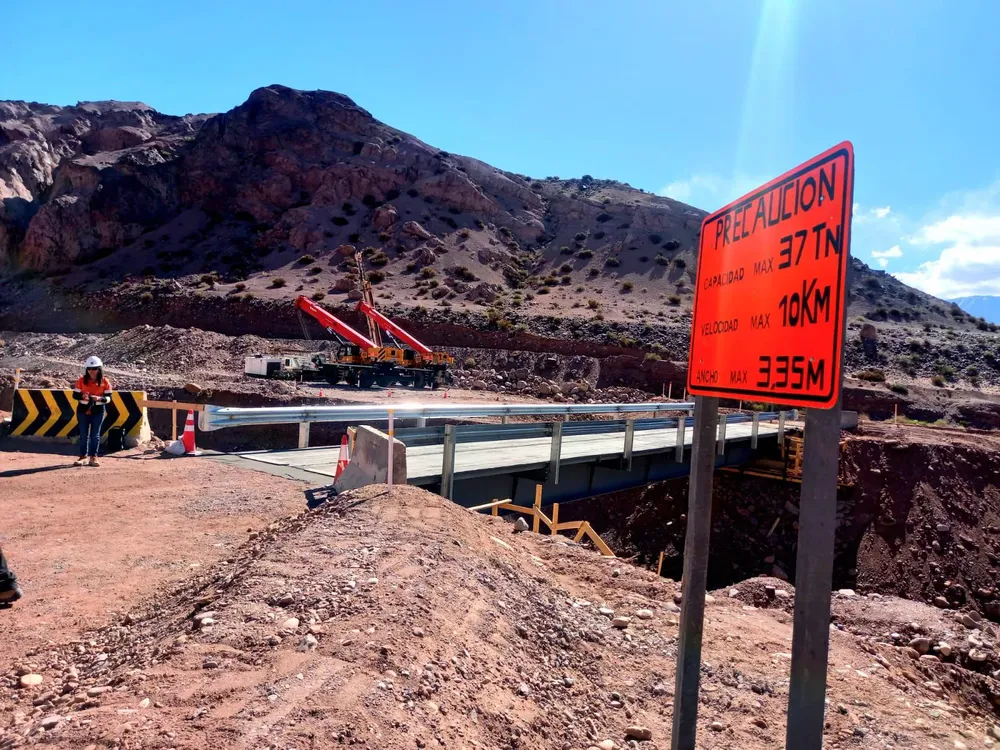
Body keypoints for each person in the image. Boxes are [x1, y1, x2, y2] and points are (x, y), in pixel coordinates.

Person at [73, 356, 113, 467]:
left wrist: (99, 398)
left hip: (98, 411)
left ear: (99, 369)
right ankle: (83, 456)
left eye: (94, 368)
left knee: (95, 435)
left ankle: (93, 457)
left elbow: (109, 398)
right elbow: (75, 395)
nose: (91, 371)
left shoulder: (105, 381)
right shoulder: (81, 380)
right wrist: (82, 396)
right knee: (83, 434)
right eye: (89, 368)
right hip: (83, 410)